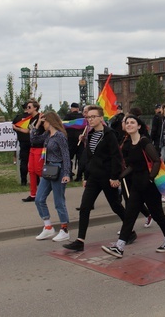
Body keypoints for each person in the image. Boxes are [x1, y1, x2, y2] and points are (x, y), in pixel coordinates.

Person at [101, 115, 165, 258]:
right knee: (129, 215)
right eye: (127, 123)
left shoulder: (144, 142)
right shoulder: (128, 144)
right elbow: (132, 166)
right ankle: (119, 247)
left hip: (149, 186)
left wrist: (150, 179)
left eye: (132, 122)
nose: (129, 125)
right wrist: (119, 177)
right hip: (136, 185)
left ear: (139, 126)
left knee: (157, 214)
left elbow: (156, 161)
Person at [63, 105, 129, 252]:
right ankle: (80, 241)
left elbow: (116, 157)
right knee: (85, 207)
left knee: (116, 206)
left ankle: (129, 230)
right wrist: (86, 176)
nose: (90, 119)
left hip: (107, 178)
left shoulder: (109, 134)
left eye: (93, 117)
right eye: (88, 117)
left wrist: (114, 177)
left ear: (101, 118)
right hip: (93, 177)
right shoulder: (90, 134)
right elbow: (89, 157)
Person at [30, 112, 72, 242]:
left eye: (44, 122)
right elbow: (34, 140)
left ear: (51, 121)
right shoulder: (48, 135)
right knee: (39, 198)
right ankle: (48, 227)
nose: (43, 124)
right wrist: (36, 124)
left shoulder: (60, 136)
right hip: (48, 169)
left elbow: (66, 155)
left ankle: (64, 230)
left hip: (58, 169)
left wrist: (66, 173)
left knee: (59, 201)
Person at [19, 99, 42, 202]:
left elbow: (46, 130)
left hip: (41, 147)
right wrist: (17, 128)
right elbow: (28, 131)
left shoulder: (41, 117)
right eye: (27, 107)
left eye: (29, 107)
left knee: (39, 170)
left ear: (35, 108)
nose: (27, 109)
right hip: (32, 146)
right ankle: (33, 194)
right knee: (31, 171)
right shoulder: (31, 119)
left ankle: (52, 185)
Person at [63, 102, 83, 177]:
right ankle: (79, 176)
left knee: (68, 157)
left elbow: (64, 126)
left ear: (71, 108)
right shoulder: (82, 117)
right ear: (78, 109)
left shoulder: (68, 116)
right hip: (80, 139)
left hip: (70, 140)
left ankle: (69, 174)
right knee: (80, 158)